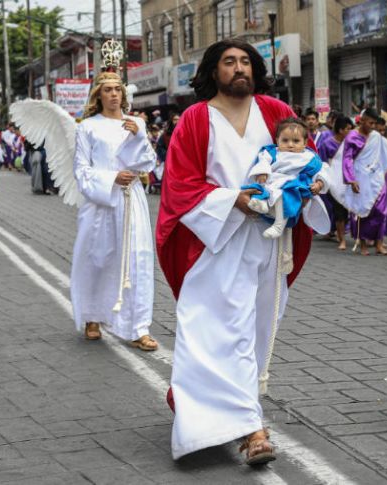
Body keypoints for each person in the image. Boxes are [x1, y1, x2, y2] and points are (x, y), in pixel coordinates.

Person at [156, 39, 327, 465]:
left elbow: (305, 158)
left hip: (268, 243)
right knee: (213, 333)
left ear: (256, 69)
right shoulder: (196, 118)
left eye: (245, 61)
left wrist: (310, 187)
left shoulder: (272, 111)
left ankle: (234, 416)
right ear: (214, 71)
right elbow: (179, 185)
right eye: (229, 62)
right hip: (214, 244)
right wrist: (233, 199)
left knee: (252, 335)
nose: (238, 68)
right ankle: (252, 429)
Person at [70, 71, 159, 352]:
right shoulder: (88, 127)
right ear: (99, 95)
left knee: (136, 261)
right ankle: (93, 316)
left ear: (123, 94)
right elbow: (81, 170)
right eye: (107, 90)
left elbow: (147, 162)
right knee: (98, 258)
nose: (113, 95)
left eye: (117, 90)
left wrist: (137, 138)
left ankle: (137, 327)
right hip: (102, 201)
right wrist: (110, 179)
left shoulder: (136, 124)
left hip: (131, 200)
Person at [245, 117, 331, 239]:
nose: (290, 145)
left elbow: (322, 170)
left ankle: (279, 225)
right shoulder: (272, 152)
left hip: (294, 186)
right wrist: (262, 173)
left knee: (283, 193)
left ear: (305, 142)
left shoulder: (310, 157)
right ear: (277, 140)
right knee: (258, 189)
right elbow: (263, 161)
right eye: (285, 140)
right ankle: (264, 206)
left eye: (296, 141)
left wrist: (319, 184)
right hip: (272, 182)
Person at [329, 107, 387, 256]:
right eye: (370, 123)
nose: (373, 127)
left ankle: (379, 244)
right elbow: (347, 159)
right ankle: (362, 245)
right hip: (360, 177)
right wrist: (351, 180)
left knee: (381, 211)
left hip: (377, 178)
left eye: (375, 124)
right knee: (361, 211)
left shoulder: (376, 137)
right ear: (363, 121)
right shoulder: (352, 136)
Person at [317, 115, 354, 249]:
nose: (350, 132)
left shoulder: (351, 144)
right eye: (348, 129)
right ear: (340, 130)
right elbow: (321, 162)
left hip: (349, 181)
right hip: (334, 181)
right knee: (339, 210)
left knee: (349, 209)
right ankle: (342, 239)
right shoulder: (327, 144)